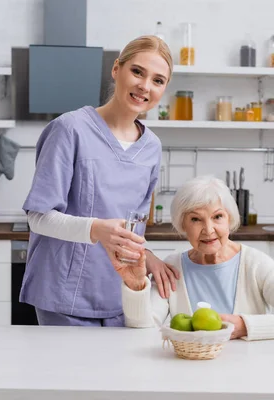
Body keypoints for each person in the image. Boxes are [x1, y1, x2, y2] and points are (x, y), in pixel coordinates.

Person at [21, 35, 180, 327]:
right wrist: (96, 229)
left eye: (158, 80)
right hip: (65, 296)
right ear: (116, 69)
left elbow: (131, 227)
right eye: (137, 72)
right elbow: (38, 218)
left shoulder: (152, 147)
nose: (145, 86)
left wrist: (147, 255)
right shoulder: (69, 130)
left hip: (122, 295)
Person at [113, 176, 274, 340]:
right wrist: (135, 285)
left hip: (248, 374)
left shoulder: (255, 264)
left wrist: (245, 326)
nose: (209, 230)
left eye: (217, 217)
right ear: (182, 226)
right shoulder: (172, 267)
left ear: (229, 219)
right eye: (196, 219)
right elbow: (142, 330)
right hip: (190, 374)